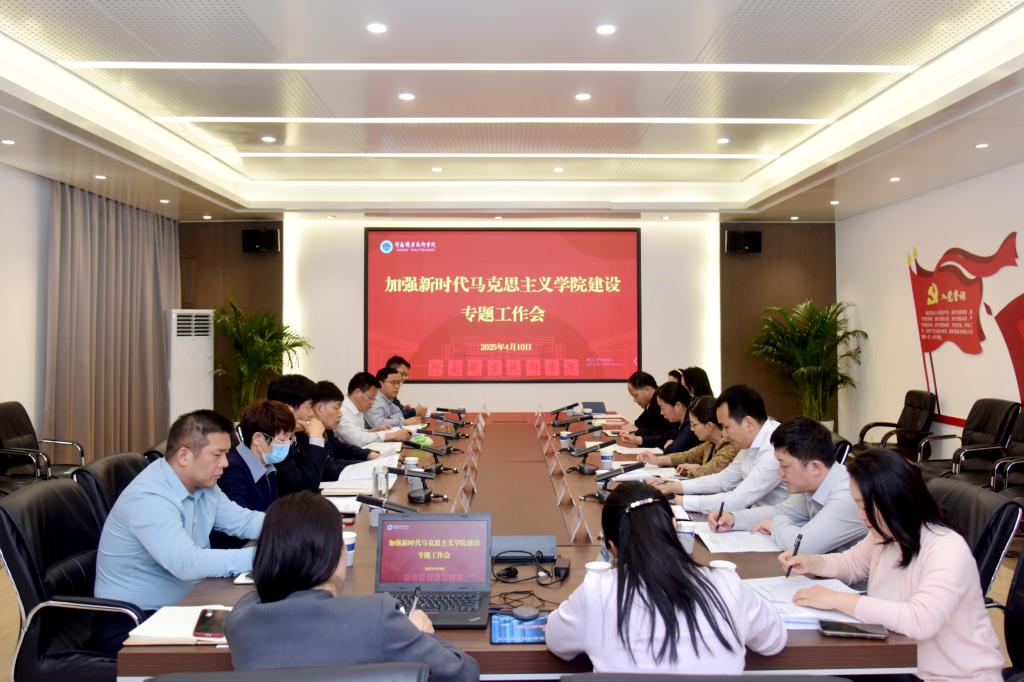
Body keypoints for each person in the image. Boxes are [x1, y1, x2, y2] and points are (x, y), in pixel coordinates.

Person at [781, 449, 1003, 682]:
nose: (860, 515)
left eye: (864, 505)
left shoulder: (947, 548)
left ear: (891, 499)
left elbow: (920, 620)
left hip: (953, 676)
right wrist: (811, 562)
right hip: (900, 659)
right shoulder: (886, 533)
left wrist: (837, 600)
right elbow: (851, 564)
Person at [225, 492, 480, 682]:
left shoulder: (240, 620)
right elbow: (464, 672)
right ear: (334, 552)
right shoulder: (376, 615)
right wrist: (419, 635)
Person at [545, 482, 785, 673]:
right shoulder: (726, 583)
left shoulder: (598, 590)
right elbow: (773, 641)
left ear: (612, 547)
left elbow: (557, 642)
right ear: (674, 525)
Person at [94, 410, 263, 646]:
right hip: (135, 619)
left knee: (259, 625)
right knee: (245, 643)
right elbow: (186, 563)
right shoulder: (150, 498)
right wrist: (264, 556)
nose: (225, 463)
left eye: (226, 454)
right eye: (218, 454)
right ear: (184, 456)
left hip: (184, 604)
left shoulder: (204, 485)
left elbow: (243, 521)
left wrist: (299, 528)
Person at [711, 416, 866, 554]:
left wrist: (775, 524)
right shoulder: (812, 484)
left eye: (785, 466)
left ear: (815, 467)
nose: (780, 472)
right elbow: (781, 511)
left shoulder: (848, 494)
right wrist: (734, 518)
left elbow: (801, 546)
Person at [668, 385, 787, 514]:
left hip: (772, 521)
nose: (724, 434)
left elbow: (738, 499)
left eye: (726, 427)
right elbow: (722, 480)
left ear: (749, 424)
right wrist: (674, 487)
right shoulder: (749, 442)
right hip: (753, 517)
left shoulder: (775, 446)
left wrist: (680, 501)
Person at [211, 400, 294, 549]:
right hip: (240, 550)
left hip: (264, 540)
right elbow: (236, 529)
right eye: (283, 439)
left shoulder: (267, 464)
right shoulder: (231, 469)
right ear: (258, 439)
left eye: (290, 438)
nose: (288, 443)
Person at [639, 395, 739, 478]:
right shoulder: (710, 443)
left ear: (709, 426)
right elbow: (687, 456)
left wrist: (696, 468)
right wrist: (657, 460)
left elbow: (709, 472)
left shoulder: (729, 446)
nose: (691, 429)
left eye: (694, 424)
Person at [267, 374, 334, 495]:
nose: (311, 414)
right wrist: (316, 439)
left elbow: (320, 468)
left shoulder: (297, 435)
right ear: (288, 409)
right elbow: (306, 487)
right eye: (308, 407)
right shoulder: (274, 442)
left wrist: (319, 437)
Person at [311, 379, 380, 474]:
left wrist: (369, 454)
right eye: (336, 408)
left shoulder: (327, 430)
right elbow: (327, 467)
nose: (340, 414)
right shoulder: (308, 435)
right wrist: (367, 467)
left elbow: (341, 449)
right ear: (319, 409)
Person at [336, 371, 412, 447]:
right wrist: (392, 435)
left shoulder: (357, 409)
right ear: (357, 393)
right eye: (371, 398)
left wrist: (374, 430)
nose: (372, 403)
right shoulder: (341, 411)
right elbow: (357, 439)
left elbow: (360, 433)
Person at [629, 382, 700, 455]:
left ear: (678, 406)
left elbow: (672, 451)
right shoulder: (678, 422)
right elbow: (663, 439)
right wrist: (637, 439)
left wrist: (670, 445)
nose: (661, 413)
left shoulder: (691, 423)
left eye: (662, 408)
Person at [616, 371, 672, 448]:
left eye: (635, 395)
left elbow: (660, 434)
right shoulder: (651, 403)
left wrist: (638, 431)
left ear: (647, 390)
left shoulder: (660, 403)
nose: (635, 400)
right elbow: (639, 422)